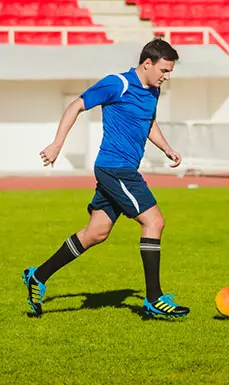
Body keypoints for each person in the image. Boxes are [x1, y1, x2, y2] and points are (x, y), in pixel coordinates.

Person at [22, 38, 190, 318]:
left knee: (96, 232)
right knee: (154, 221)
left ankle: (37, 276)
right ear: (147, 64)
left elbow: (147, 122)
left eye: (170, 71)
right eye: (164, 70)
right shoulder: (117, 83)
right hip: (116, 168)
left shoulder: (153, 91)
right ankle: (154, 298)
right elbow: (76, 105)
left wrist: (167, 148)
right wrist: (57, 144)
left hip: (123, 169)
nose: (167, 76)